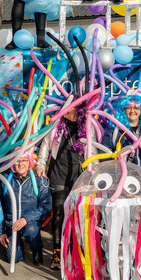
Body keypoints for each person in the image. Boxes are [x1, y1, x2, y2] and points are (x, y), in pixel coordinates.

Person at [39, 104, 87, 270]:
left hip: (79, 177)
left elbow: (93, 149)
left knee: (76, 214)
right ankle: (57, 253)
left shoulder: (86, 125)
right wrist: (40, 164)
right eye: (65, 107)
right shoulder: (56, 124)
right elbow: (45, 144)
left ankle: (74, 251)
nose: (66, 110)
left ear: (77, 109)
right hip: (58, 174)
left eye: (70, 107)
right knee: (59, 212)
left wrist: (92, 171)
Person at [0, 153, 52, 265]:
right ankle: (19, 244)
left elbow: (46, 207)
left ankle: (36, 249)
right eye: (18, 160)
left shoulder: (39, 179)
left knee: (31, 230)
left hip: (30, 222)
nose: (21, 164)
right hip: (11, 224)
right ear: (13, 163)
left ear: (29, 162)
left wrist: (26, 219)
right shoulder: (4, 179)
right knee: (12, 258)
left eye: (24, 160)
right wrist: (1, 232)